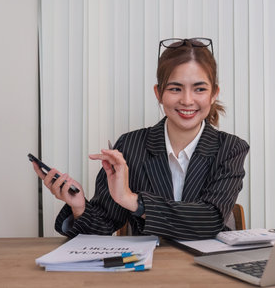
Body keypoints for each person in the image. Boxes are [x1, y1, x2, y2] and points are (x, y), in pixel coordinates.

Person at [32, 37, 249, 240]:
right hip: (147, 268)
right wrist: (79, 207)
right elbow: (103, 225)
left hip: (207, 271)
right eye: (175, 88)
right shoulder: (130, 146)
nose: (187, 100)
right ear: (158, 93)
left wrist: (131, 200)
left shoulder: (230, 148)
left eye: (199, 89)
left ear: (214, 94)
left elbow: (210, 220)